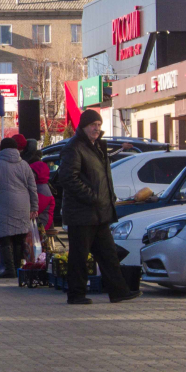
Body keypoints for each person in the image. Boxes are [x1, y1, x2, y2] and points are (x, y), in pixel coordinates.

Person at [58, 110, 141, 305]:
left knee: (108, 254)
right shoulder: (75, 147)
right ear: (83, 126)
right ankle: (76, 295)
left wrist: (107, 198)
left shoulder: (97, 147)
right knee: (79, 256)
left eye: (99, 124)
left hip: (99, 212)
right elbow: (68, 178)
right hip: (82, 213)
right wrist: (93, 197)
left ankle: (119, 291)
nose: (97, 128)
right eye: (93, 124)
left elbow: (102, 177)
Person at [0, 137, 38, 279]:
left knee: (5, 238)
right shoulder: (24, 165)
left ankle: (9, 269)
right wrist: (34, 207)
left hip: (3, 204)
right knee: (19, 238)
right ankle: (18, 267)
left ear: (2, 149)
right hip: (23, 204)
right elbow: (33, 188)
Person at [31, 160, 55, 232]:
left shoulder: (42, 189)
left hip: (42, 223)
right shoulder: (38, 186)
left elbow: (37, 208)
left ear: (37, 174)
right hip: (39, 220)